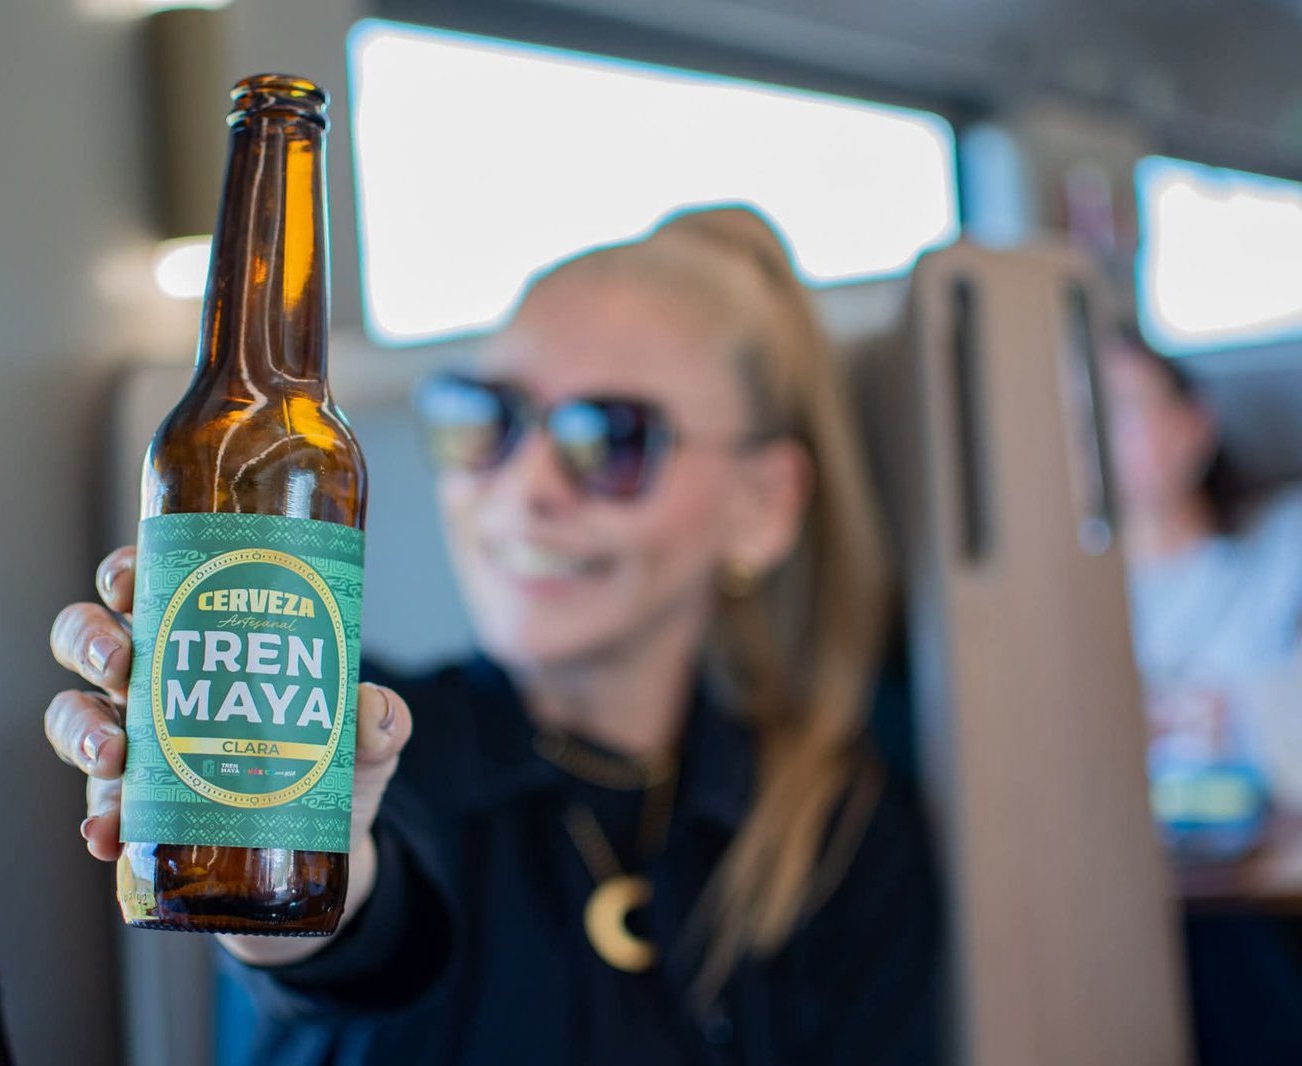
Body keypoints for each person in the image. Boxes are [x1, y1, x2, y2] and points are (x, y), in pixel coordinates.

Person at [46, 206, 940, 1064]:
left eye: (612, 438)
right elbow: (346, 924)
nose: (525, 487)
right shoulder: (363, 734)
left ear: (762, 504)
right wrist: (287, 866)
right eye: (490, 418)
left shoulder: (843, 839)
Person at [1104, 325, 1302, 785]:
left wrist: (1242, 720)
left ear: (1194, 426)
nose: (1097, 440)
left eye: (1124, 410)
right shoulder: (1070, 612)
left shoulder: (1285, 546)